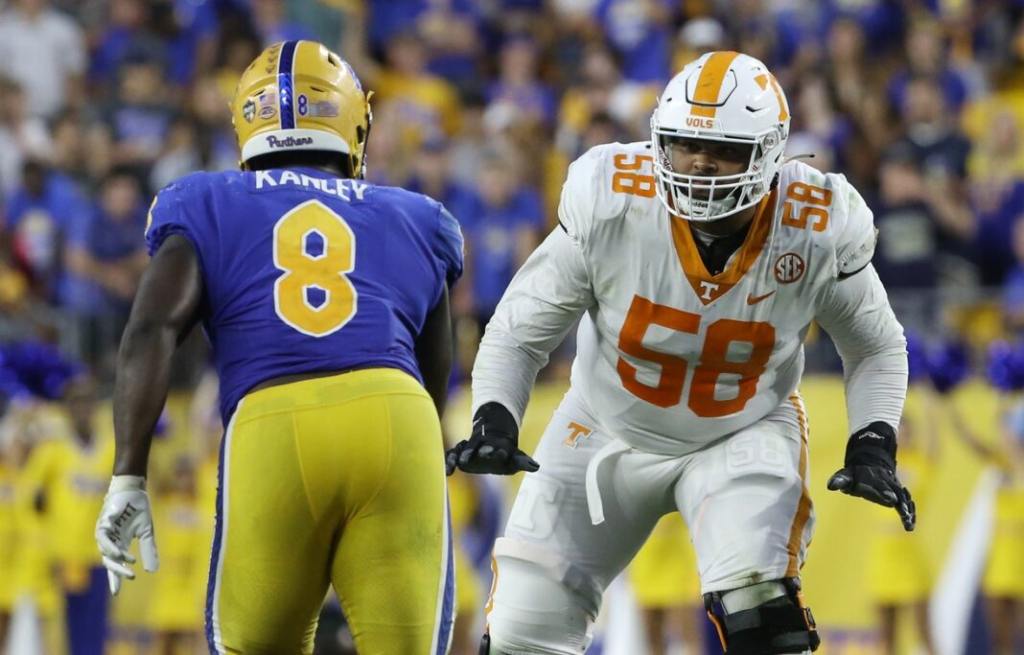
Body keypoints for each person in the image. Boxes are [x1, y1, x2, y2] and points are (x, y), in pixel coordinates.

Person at [446, 50, 915, 655]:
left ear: (770, 153)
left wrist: (874, 439)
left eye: (723, 149)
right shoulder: (613, 196)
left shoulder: (816, 220)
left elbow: (875, 345)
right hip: (604, 425)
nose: (698, 163)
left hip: (741, 430)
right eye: (683, 144)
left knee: (760, 610)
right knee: (520, 633)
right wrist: (496, 416)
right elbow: (517, 329)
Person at [94, 40, 463, 654]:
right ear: (353, 120)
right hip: (399, 418)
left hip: (274, 418)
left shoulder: (205, 200)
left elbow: (152, 328)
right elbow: (435, 372)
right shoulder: (416, 216)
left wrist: (128, 473)